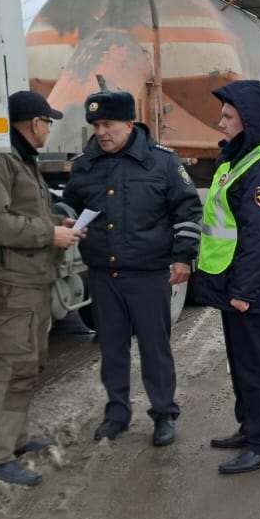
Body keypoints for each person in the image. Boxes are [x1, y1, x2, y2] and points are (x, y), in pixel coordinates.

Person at [61, 90, 202, 446]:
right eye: (95, 125)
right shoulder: (85, 164)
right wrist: (66, 222)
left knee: (155, 349)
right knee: (111, 348)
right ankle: (117, 413)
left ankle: (164, 414)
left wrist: (183, 256)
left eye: (108, 124)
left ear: (128, 122)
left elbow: (187, 211)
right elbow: (69, 207)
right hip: (103, 275)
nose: (101, 132)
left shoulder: (162, 162)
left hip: (148, 274)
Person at [0, 90, 84, 487]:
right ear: (36, 124)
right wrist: (48, 234)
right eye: (47, 122)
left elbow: (23, 211)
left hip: (30, 277)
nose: (49, 128)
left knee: (29, 362)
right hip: (10, 280)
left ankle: (15, 440)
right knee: (12, 363)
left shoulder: (18, 157)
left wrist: (55, 223)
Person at [196, 80, 260, 475]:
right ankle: (248, 427)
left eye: (228, 116)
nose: (220, 123)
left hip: (251, 289)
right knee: (240, 364)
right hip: (234, 284)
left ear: (249, 121)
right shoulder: (238, 159)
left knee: (257, 369)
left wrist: (243, 291)